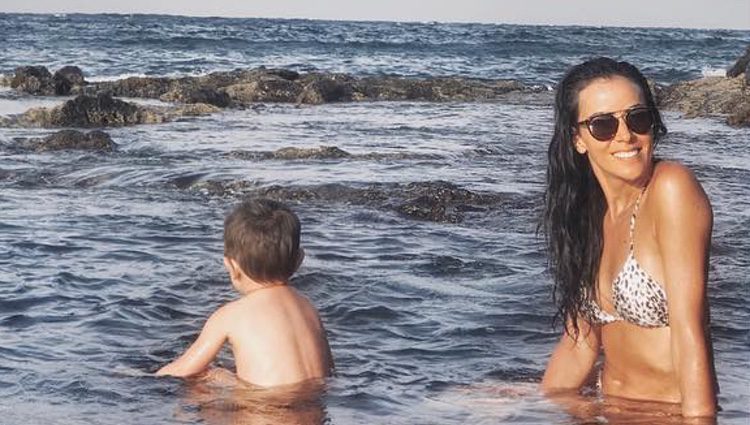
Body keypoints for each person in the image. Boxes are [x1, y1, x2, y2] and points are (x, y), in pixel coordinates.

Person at [539, 57, 718, 418]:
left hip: (666, 414)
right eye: (603, 125)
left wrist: (701, 419)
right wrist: (532, 407)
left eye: (637, 117)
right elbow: (579, 345)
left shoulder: (670, 189)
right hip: (600, 409)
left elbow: (689, 334)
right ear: (578, 139)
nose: (625, 135)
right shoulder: (587, 213)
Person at [157, 198, 333, 387]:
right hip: (316, 410)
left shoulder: (230, 315)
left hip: (263, 411)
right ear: (299, 260)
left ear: (232, 266)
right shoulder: (308, 308)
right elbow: (329, 371)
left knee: (206, 375)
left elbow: (183, 370)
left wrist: (138, 376)